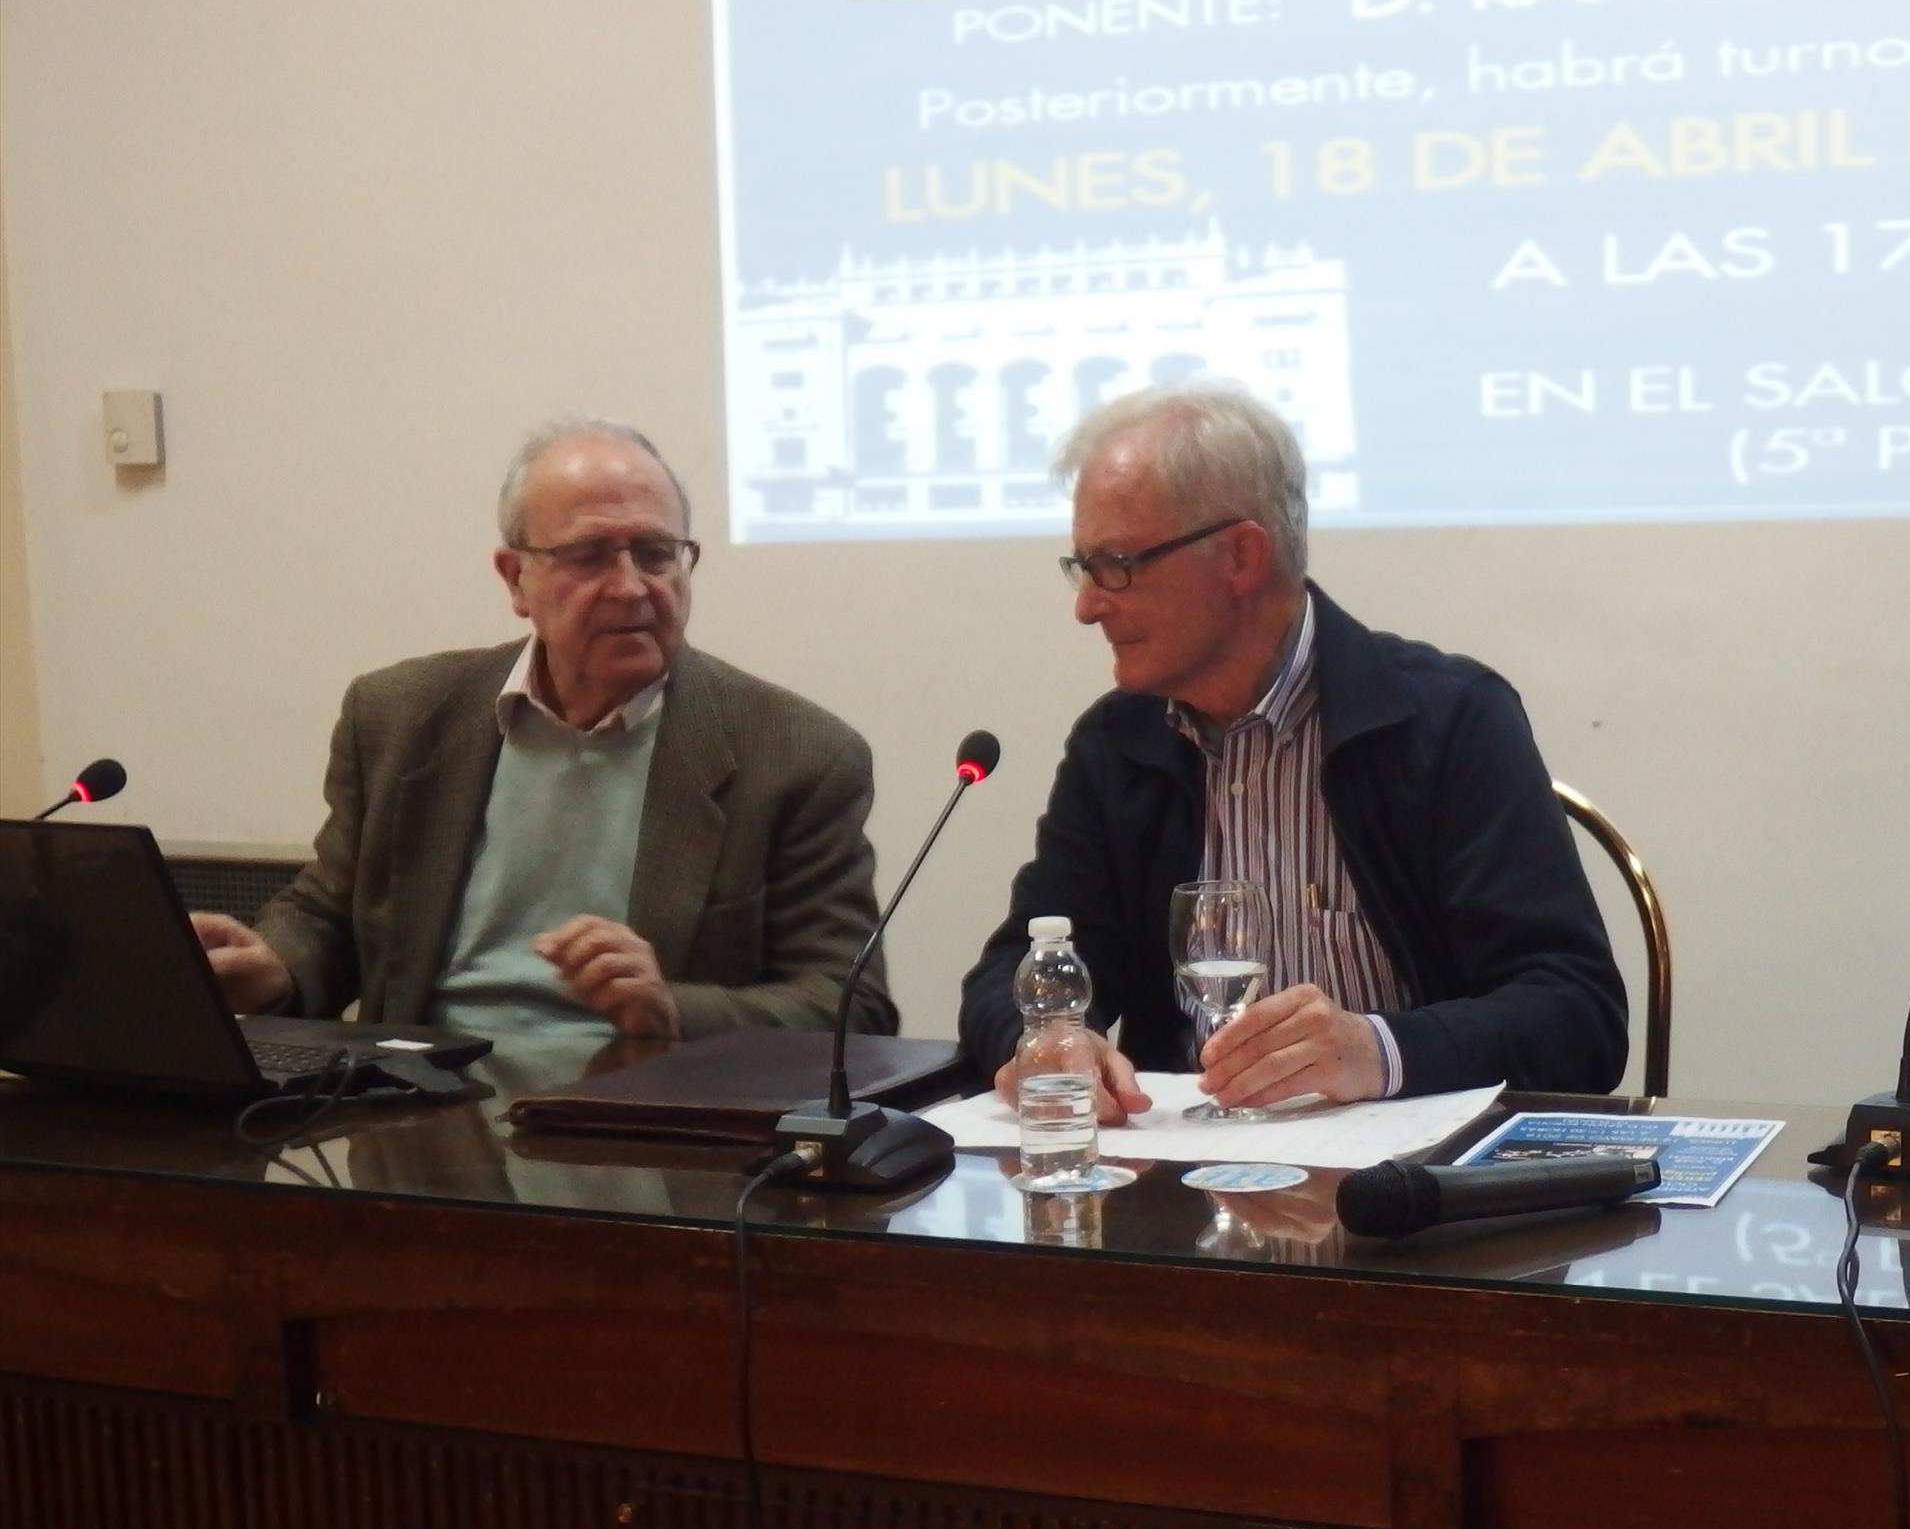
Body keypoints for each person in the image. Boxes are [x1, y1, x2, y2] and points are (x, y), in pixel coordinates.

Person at [957, 380, 1625, 1116]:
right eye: (1083, 567)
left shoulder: (1447, 720)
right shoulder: (1118, 745)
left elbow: (1577, 1014)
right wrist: (1042, 1042)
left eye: (1117, 563)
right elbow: (1015, 969)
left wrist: (1379, 1050)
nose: (1087, 606)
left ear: (1241, 557)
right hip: (1180, 1169)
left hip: (1409, 1169)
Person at [193, 420, 893, 1042]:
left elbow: (848, 1004)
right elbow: (332, 914)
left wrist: (673, 1008)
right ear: (515, 579)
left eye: (655, 553)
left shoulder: (795, 754)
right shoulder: (400, 716)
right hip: (419, 1093)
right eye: (589, 556)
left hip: (648, 1107)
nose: (631, 587)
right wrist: (273, 967)